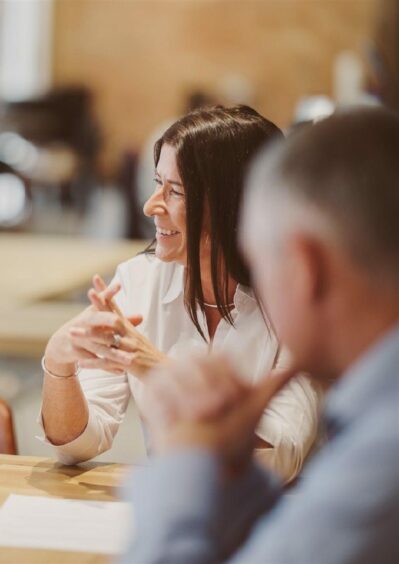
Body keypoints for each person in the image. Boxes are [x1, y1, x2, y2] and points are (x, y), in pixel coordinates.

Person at [126, 107, 399, 563]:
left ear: (305, 267)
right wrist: (233, 474)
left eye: (258, 258)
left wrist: (185, 463)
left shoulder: (382, 452)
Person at [40, 105, 320, 481]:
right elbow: (76, 444)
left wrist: (154, 367)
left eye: (174, 191)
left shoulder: (300, 300)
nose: (150, 205)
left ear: (232, 205)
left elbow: (278, 459)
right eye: (157, 183)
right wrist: (59, 362)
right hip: (176, 507)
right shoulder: (138, 281)